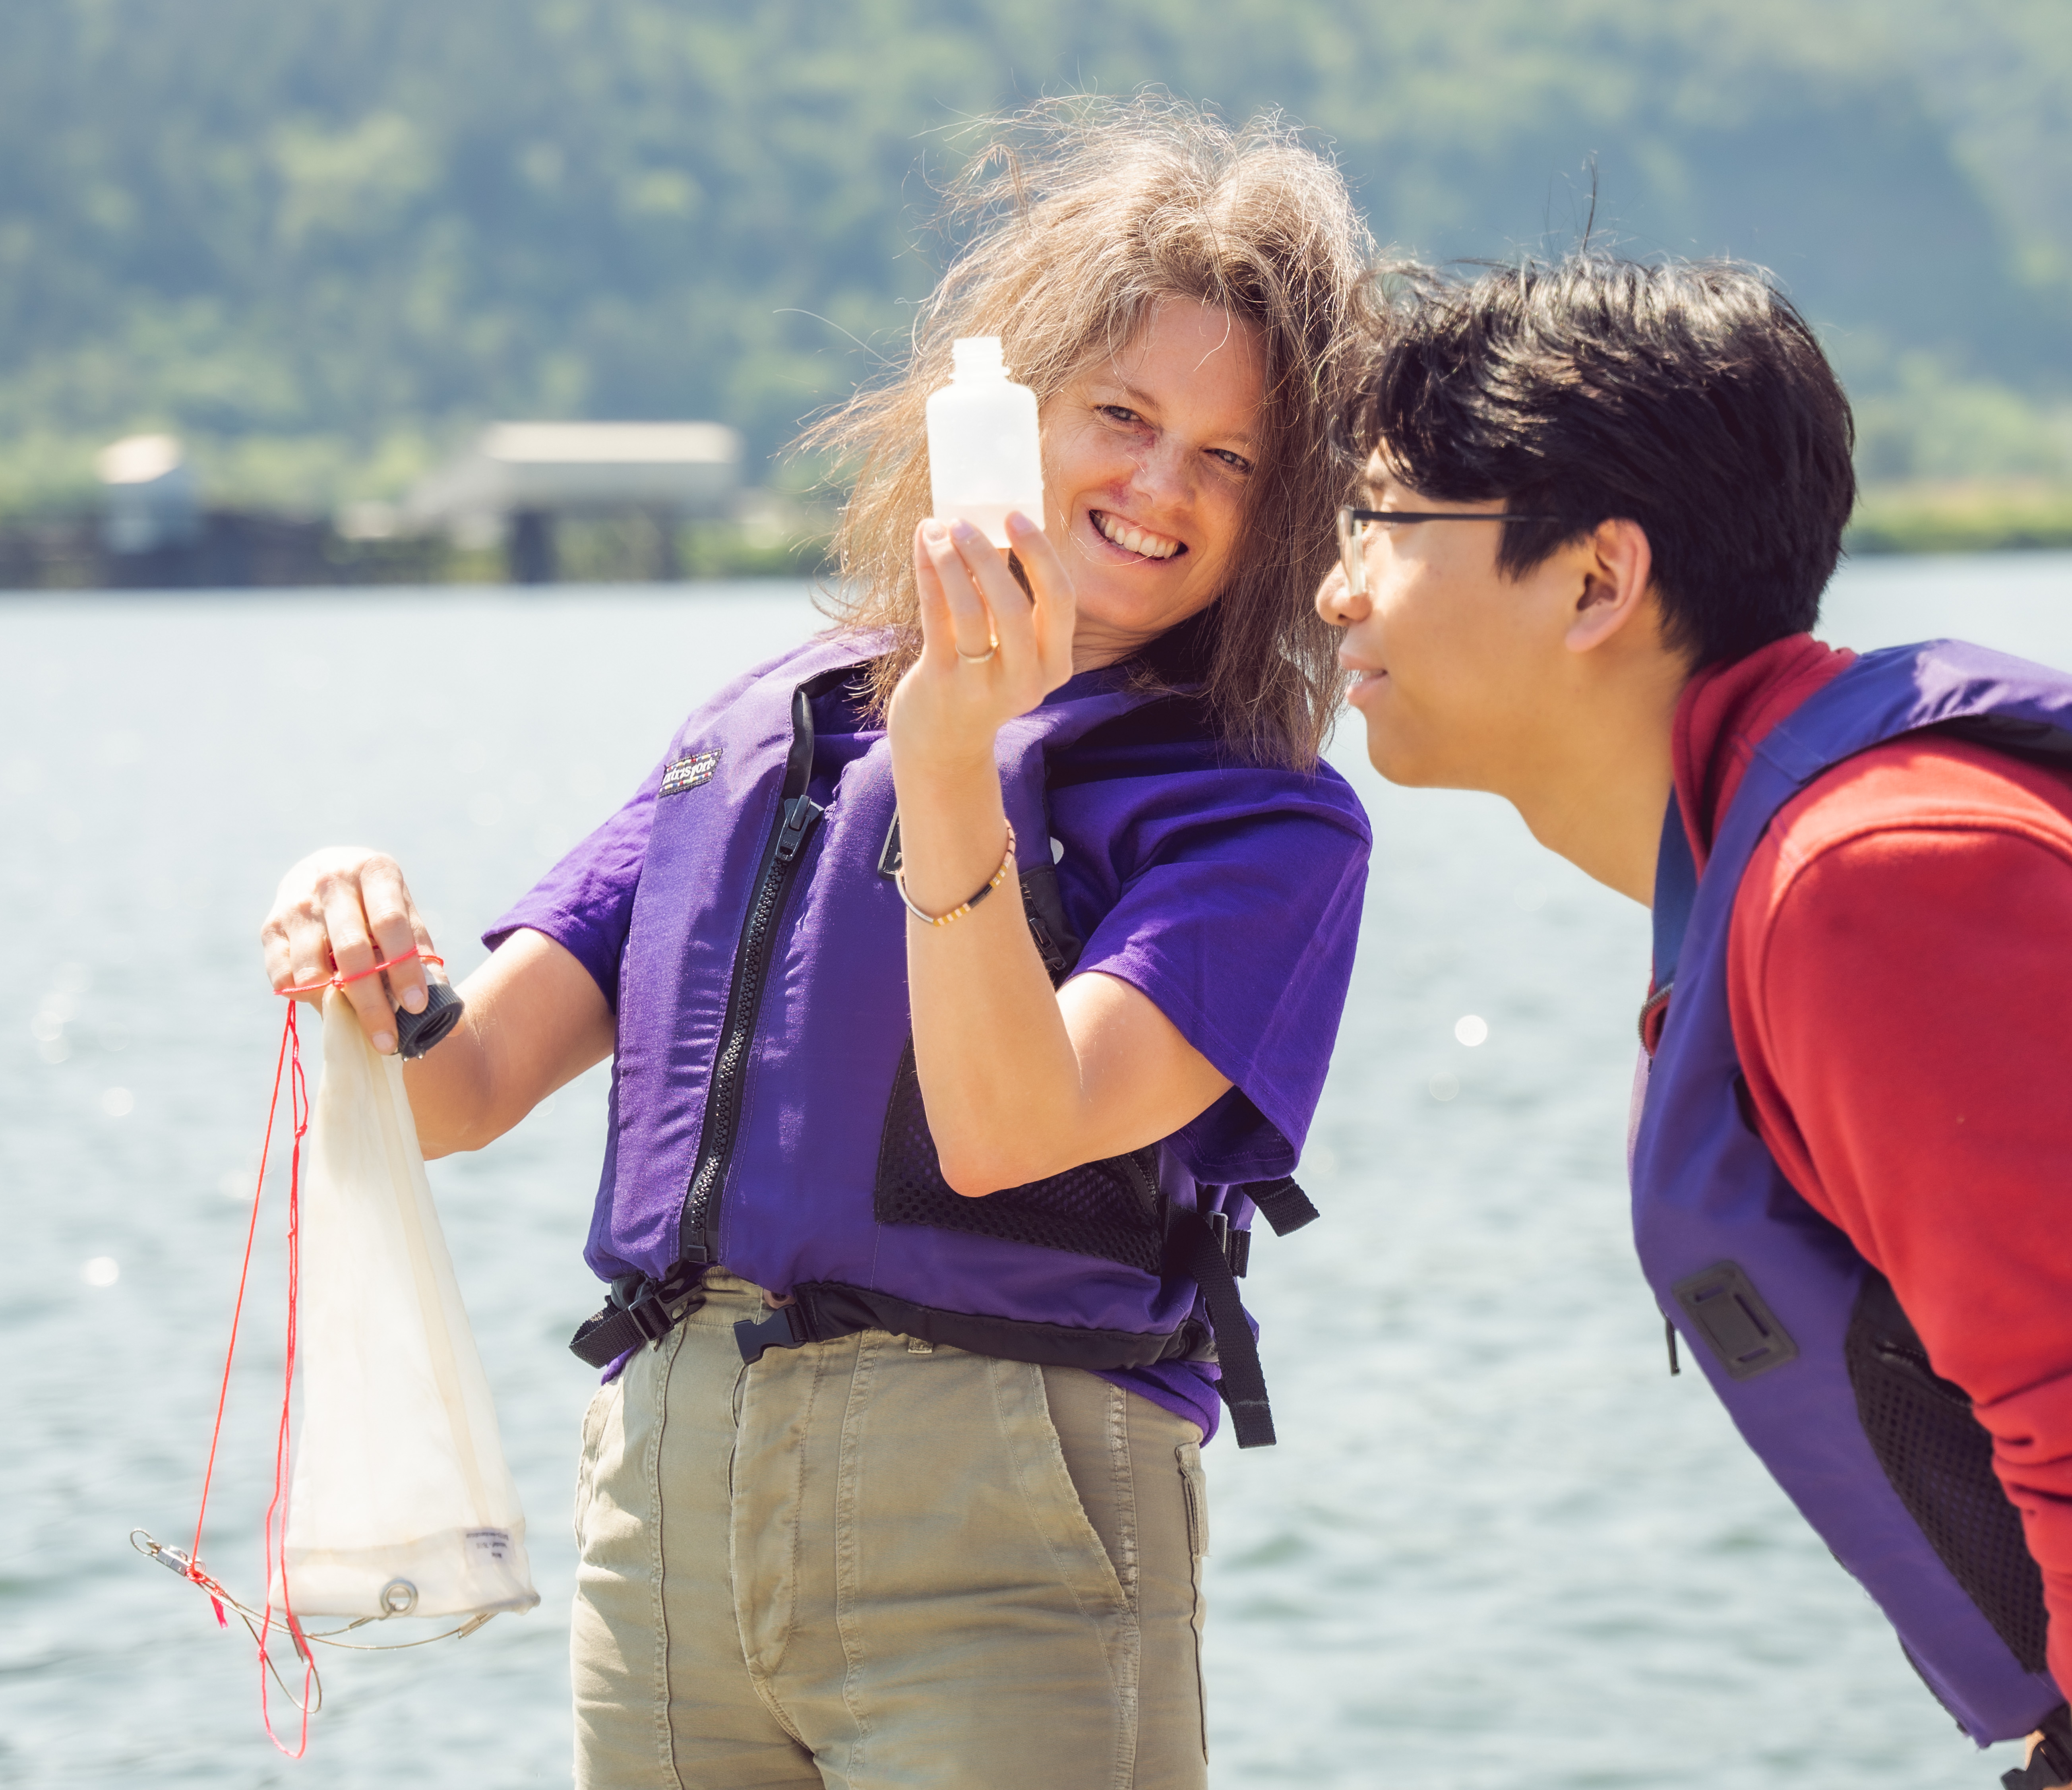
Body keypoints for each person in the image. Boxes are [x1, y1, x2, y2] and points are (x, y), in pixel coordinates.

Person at [258, 99, 1377, 1789]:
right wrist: (356, 927)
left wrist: (951, 765)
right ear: (1002, 423)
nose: (1160, 486)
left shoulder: (1259, 824)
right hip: (666, 1505)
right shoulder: (762, 728)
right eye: (1123, 415)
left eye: (1229, 460)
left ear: (1282, 516)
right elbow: (456, 1087)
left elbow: (1009, 1126)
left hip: (1008, 1517)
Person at [1312, 254, 2072, 1790]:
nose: (1340, 584)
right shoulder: (1808, 849)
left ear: (1599, 581)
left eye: (1387, 524)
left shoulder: (1884, 877)